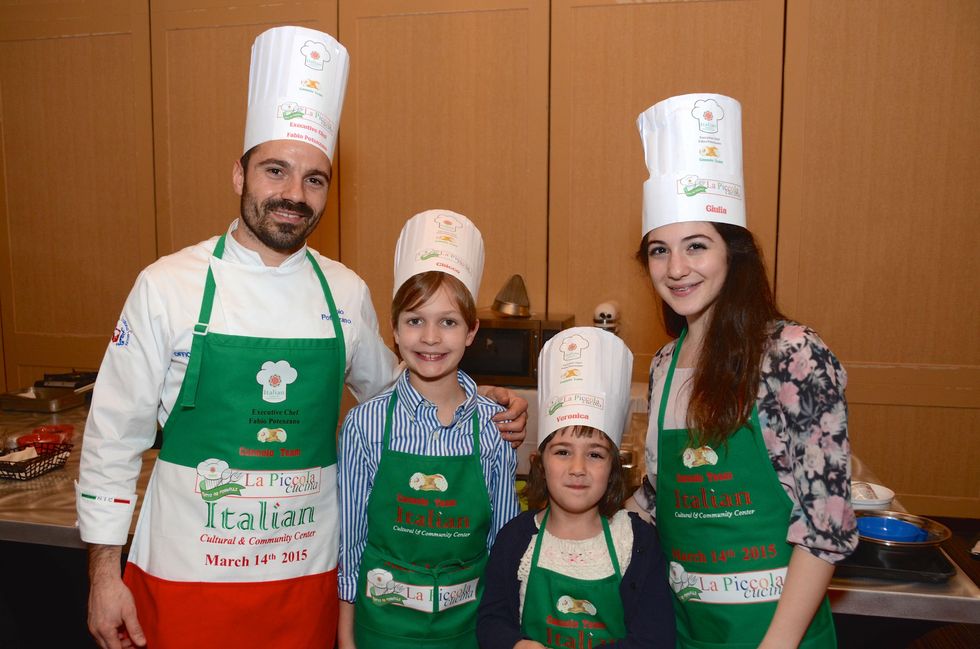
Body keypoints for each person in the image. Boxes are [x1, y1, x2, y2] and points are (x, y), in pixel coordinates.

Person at [75, 27, 526, 649]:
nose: (293, 194)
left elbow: (405, 392)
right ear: (239, 174)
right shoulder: (167, 286)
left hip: (308, 581)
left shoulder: (342, 292)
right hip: (186, 576)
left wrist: (488, 402)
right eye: (275, 171)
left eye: (314, 179)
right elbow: (112, 439)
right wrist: (103, 574)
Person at [625, 93, 857, 648]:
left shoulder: (793, 355)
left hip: (778, 634)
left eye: (696, 246)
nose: (676, 269)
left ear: (734, 253)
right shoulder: (664, 364)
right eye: (660, 251)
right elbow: (662, 499)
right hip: (689, 632)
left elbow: (827, 523)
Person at [337, 209, 520, 649]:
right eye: (415, 320)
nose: (431, 338)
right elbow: (350, 545)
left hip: (468, 628)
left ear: (473, 331)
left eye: (449, 322)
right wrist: (346, 639)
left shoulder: (494, 426)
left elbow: (504, 542)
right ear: (394, 331)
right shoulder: (365, 424)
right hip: (382, 629)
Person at [478, 326, 676, 649]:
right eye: (563, 451)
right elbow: (491, 620)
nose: (578, 468)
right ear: (540, 461)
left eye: (595, 454)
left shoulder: (638, 544)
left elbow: (656, 639)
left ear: (613, 465)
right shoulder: (514, 540)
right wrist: (514, 645)